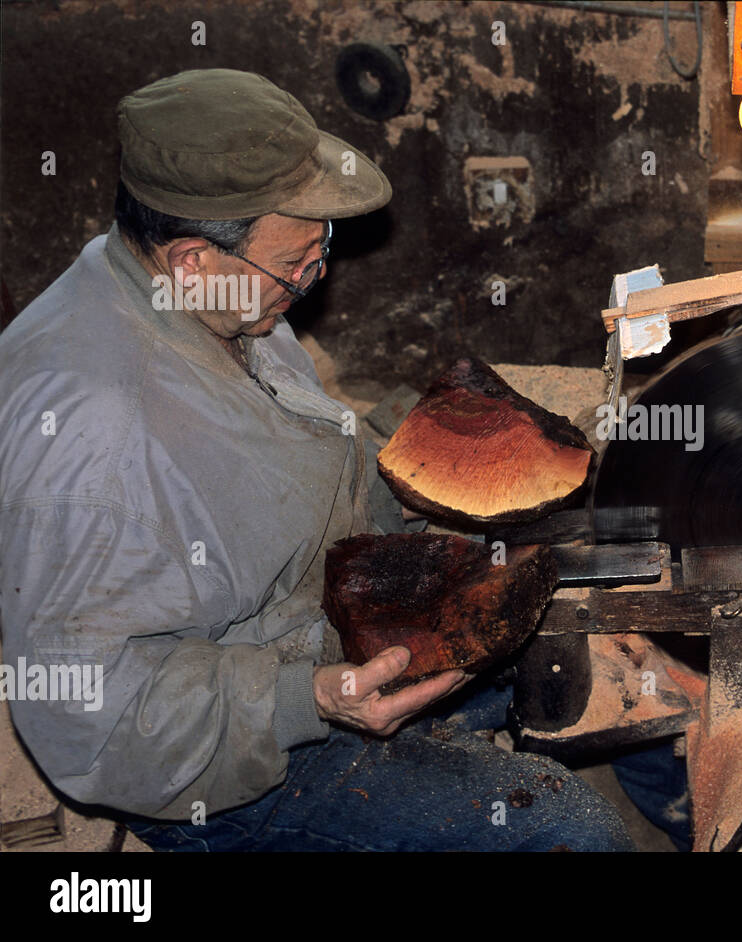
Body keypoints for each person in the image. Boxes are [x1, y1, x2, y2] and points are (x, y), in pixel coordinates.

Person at [0, 68, 633, 851]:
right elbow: (94, 722)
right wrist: (315, 700)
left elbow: (285, 440)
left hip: (332, 624)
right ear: (194, 257)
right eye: (296, 265)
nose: (316, 276)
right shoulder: (91, 446)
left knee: (615, 645)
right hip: (227, 763)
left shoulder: (207, 292)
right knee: (572, 835)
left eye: (320, 249)